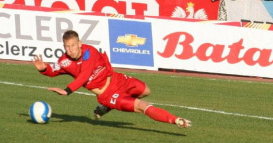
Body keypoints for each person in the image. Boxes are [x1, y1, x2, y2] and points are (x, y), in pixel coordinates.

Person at [32, 30, 191, 128]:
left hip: (117, 79)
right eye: (66, 46)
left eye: (73, 45)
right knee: (142, 106)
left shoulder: (89, 51)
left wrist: (68, 90)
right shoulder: (64, 61)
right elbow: (53, 70)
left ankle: (105, 108)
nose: (70, 49)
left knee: (146, 91)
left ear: (79, 43)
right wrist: (44, 69)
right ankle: (176, 120)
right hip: (108, 94)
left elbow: (85, 74)